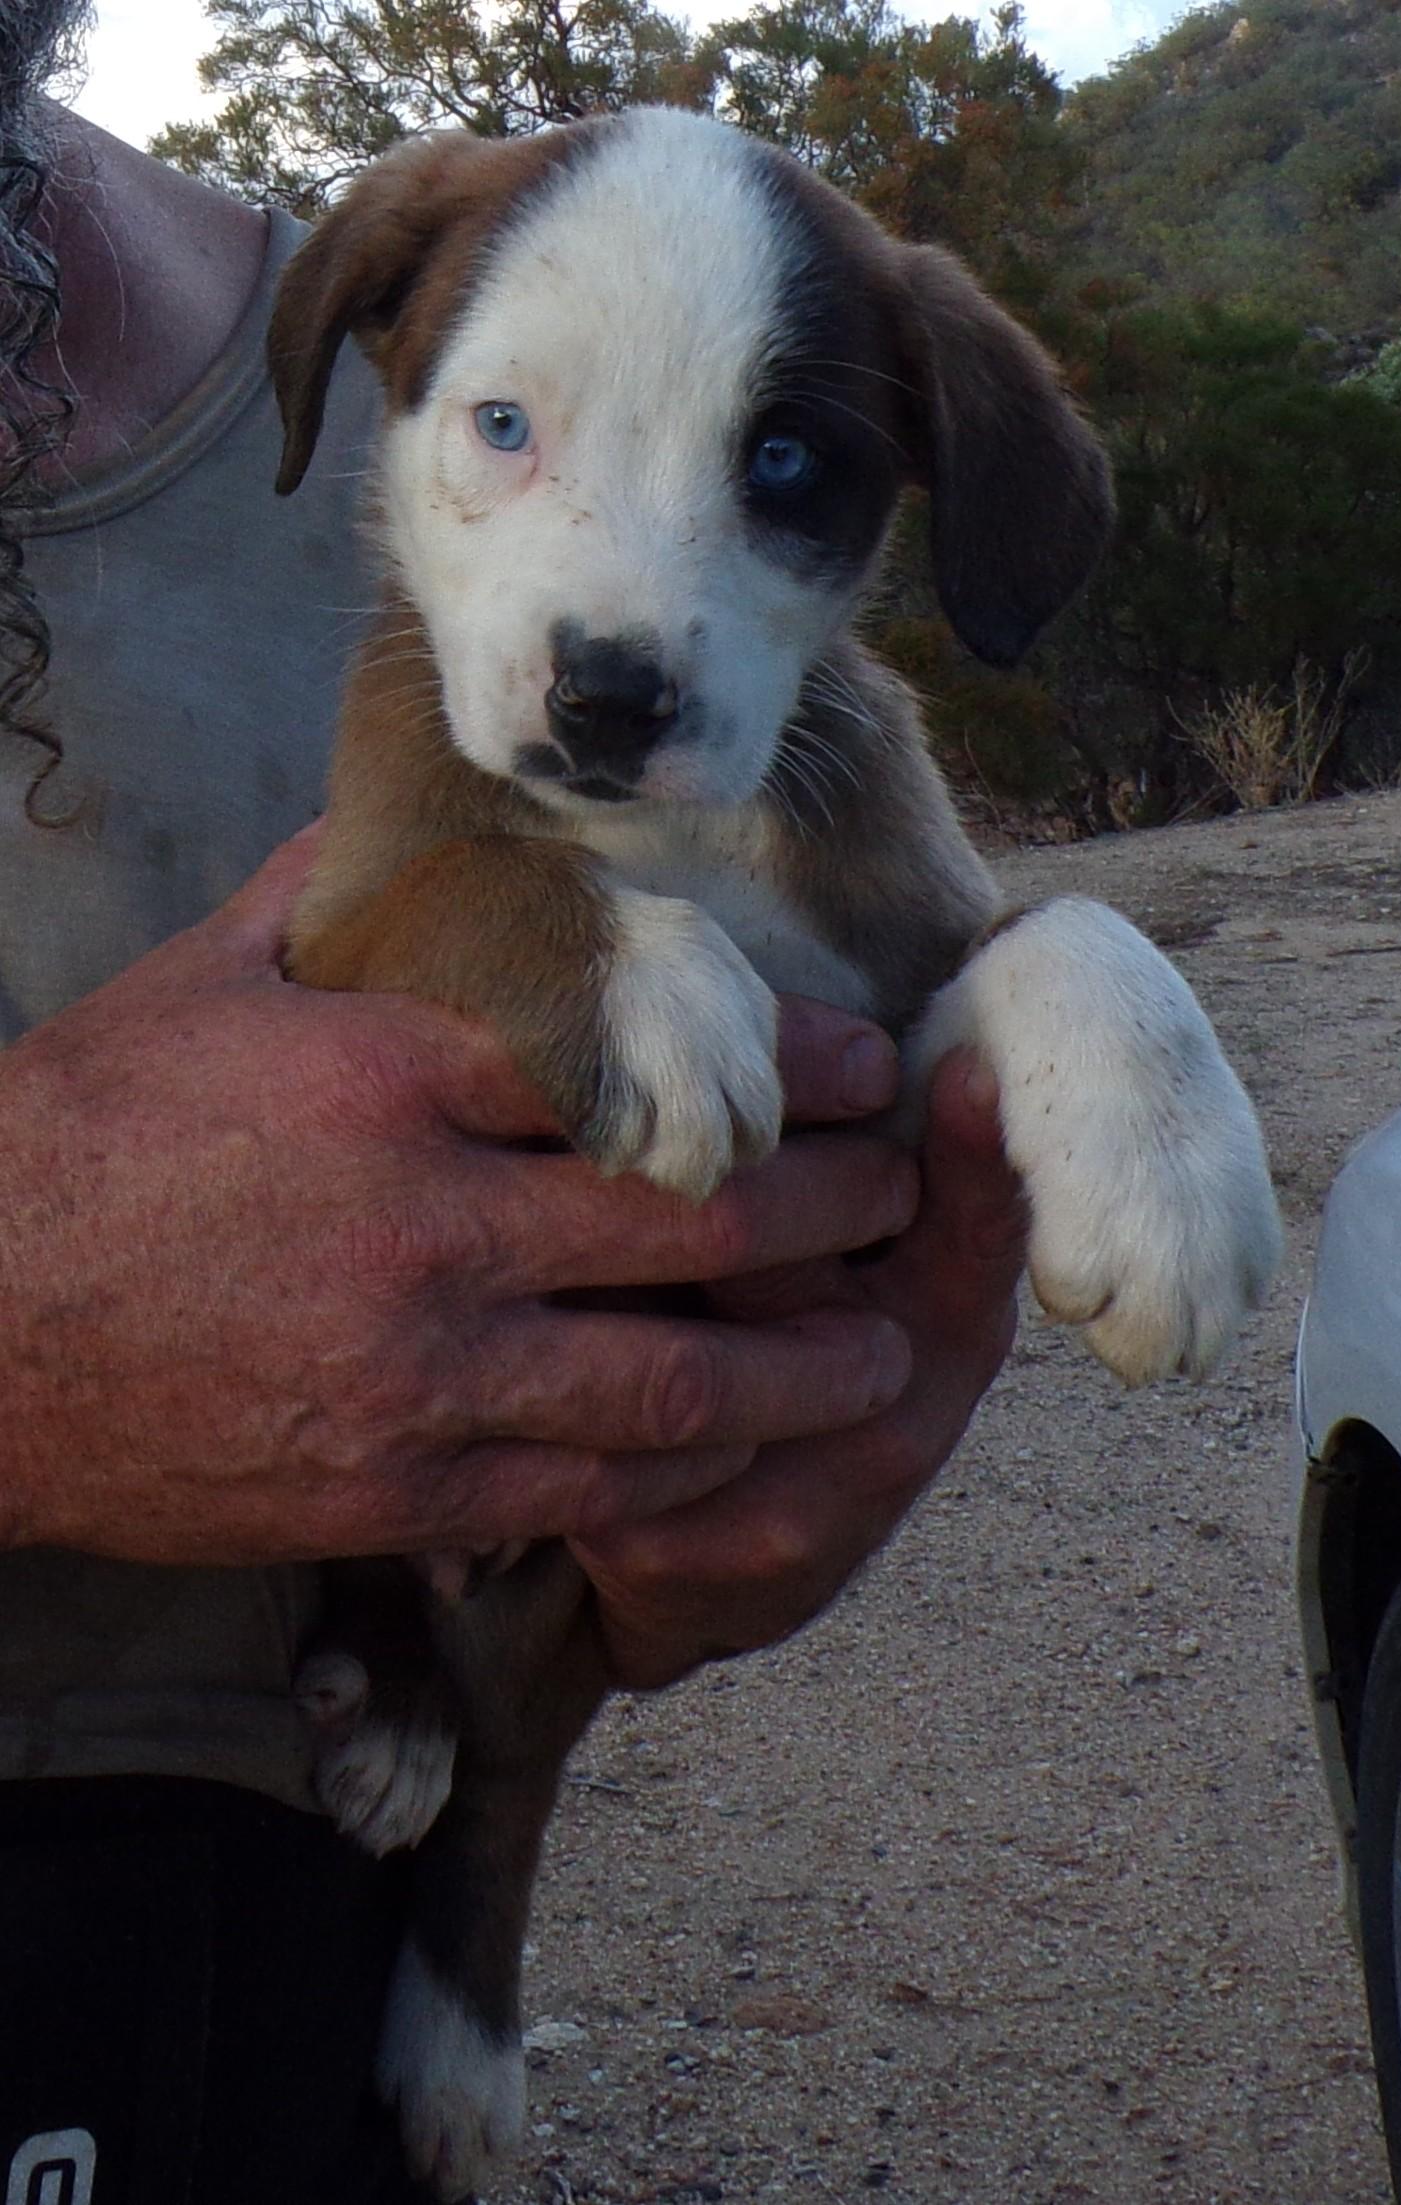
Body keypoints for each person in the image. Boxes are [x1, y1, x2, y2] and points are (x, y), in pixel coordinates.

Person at [0, 9, 1027, 2198]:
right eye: (507, 440)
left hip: (267, 1949)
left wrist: (703, 1461)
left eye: (772, 472)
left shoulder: (376, 301)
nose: (616, 596)